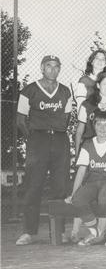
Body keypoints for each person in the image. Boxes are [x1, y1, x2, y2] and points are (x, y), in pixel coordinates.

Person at [16, 55, 72, 245]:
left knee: (60, 186)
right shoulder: (29, 90)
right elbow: (20, 120)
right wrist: (32, 138)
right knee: (34, 184)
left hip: (59, 139)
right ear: (41, 68)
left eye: (56, 67)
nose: (53, 70)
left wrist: (56, 132)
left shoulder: (65, 91)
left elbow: (67, 118)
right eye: (49, 66)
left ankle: (60, 231)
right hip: (37, 140)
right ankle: (29, 232)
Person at [71, 72, 106, 243]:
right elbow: (79, 131)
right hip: (91, 150)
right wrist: (78, 153)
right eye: (104, 83)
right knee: (82, 195)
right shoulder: (87, 104)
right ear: (97, 85)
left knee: (104, 196)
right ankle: (88, 231)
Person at [66, 110, 106, 246]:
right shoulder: (87, 144)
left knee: (104, 198)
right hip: (93, 182)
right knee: (78, 199)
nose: (102, 128)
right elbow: (81, 171)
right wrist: (73, 193)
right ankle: (94, 232)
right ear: (94, 126)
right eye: (99, 124)